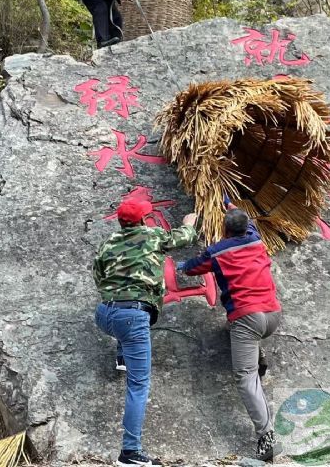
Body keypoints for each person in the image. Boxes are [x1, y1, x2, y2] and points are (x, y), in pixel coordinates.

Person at [93, 197, 198, 467]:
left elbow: (99, 277)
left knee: (123, 326)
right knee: (138, 386)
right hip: (133, 316)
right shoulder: (152, 235)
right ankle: (130, 452)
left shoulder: (109, 243)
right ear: (142, 220)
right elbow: (183, 238)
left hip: (105, 314)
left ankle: (121, 357)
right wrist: (189, 222)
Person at [177, 197, 283, 462]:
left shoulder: (218, 251)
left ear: (224, 230)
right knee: (235, 330)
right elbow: (240, 215)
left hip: (247, 319)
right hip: (272, 314)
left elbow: (191, 269)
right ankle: (257, 356)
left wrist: (178, 264)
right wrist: (227, 201)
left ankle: (266, 436)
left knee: (245, 377)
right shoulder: (256, 239)